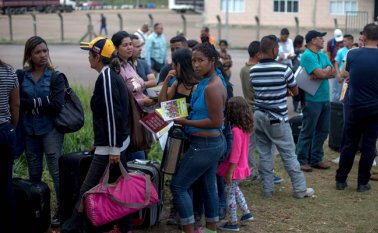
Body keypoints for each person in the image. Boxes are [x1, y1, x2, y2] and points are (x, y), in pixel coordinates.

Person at [62, 37, 132, 233]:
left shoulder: (107, 76)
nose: (88, 58)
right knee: (119, 188)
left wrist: (113, 148)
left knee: (87, 189)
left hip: (111, 148)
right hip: (112, 144)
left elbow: (112, 115)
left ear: (98, 56)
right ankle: (123, 226)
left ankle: (71, 228)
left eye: (90, 54)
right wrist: (100, 141)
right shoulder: (109, 73)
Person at [170, 42, 228, 233]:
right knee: (207, 186)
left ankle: (189, 229)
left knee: (178, 186)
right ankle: (210, 228)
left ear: (212, 61)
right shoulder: (207, 81)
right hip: (209, 144)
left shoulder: (212, 86)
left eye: (200, 61)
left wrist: (185, 122)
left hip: (205, 144)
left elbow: (215, 121)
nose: (195, 65)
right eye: (193, 60)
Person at [250, 35, 314, 199]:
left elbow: (260, 91)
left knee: (264, 154)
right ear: (274, 50)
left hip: (258, 116)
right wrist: (281, 92)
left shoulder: (253, 71)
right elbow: (295, 92)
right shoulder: (284, 69)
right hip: (277, 117)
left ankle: (267, 190)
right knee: (288, 153)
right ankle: (300, 190)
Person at [20, 36, 66, 226]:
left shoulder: (55, 76)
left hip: (51, 130)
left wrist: (30, 105)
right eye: (38, 52)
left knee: (56, 172)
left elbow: (56, 105)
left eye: (45, 51)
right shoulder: (21, 76)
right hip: (30, 130)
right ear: (29, 55)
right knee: (34, 172)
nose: (43, 55)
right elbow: (18, 103)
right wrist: (40, 103)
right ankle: (37, 210)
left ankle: (62, 211)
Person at [335, 23, 378, 192]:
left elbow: (345, 74)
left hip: (354, 106)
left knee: (349, 143)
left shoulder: (352, 54)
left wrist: (356, 76)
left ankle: (341, 180)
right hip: (375, 108)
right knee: (369, 145)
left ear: (363, 37)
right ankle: (362, 183)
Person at [240, 41, 283, 184]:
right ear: (259, 54)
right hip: (259, 110)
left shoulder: (244, 69)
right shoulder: (256, 70)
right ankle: (267, 174)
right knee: (268, 146)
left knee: (250, 145)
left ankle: (249, 172)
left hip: (248, 110)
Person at [112, 31, 156, 160]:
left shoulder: (129, 64)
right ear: (116, 48)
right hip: (128, 120)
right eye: (125, 45)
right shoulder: (116, 69)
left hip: (138, 117)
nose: (130, 47)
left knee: (139, 157)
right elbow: (125, 94)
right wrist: (144, 101)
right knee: (137, 159)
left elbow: (138, 88)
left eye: (131, 44)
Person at [296, 30, 336, 172]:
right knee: (308, 130)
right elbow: (323, 73)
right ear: (313, 40)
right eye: (321, 38)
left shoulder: (321, 55)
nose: (323, 40)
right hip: (311, 99)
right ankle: (301, 160)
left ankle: (316, 159)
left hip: (325, 98)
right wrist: (323, 72)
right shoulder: (307, 56)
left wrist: (323, 72)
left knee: (323, 130)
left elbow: (333, 72)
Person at [217, 96, 254, 232]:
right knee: (234, 190)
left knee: (229, 194)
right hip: (241, 167)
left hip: (234, 168)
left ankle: (233, 222)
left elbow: (235, 154)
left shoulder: (235, 131)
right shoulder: (244, 128)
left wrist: (229, 172)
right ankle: (246, 213)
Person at [0, 59, 19, 233]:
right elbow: (15, 104)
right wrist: (11, 127)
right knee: (6, 183)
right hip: (6, 131)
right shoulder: (8, 71)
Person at [331, 34, 353, 102]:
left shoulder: (354, 50)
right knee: (336, 93)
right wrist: (338, 75)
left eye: (345, 41)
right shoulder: (341, 51)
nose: (343, 42)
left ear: (350, 41)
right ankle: (334, 108)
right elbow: (336, 63)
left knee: (344, 94)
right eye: (343, 41)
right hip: (340, 75)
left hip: (348, 77)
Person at [291, 35, 306, 113]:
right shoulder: (293, 50)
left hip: (302, 72)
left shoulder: (303, 50)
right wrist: (300, 49)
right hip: (294, 72)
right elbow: (293, 53)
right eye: (299, 43)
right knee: (295, 90)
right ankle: (295, 106)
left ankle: (301, 106)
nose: (300, 45)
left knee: (302, 90)